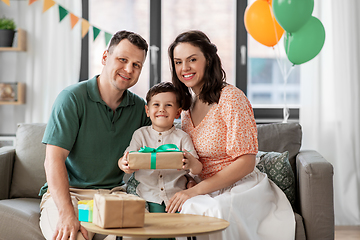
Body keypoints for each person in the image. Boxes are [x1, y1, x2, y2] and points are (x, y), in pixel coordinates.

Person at [166, 30, 295, 240]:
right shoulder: (187, 108)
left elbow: (246, 162)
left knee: (217, 212)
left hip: (240, 186)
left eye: (192, 60)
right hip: (205, 187)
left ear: (208, 60)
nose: (184, 68)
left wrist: (195, 191)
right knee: (187, 209)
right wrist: (191, 181)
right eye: (178, 62)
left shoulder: (231, 98)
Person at [39, 30, 151, 240]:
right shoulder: (71, 98)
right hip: (70, 195)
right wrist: (66, 213)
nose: (129, 69)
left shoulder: (140, 108)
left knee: (136, 236)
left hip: (116, 195)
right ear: (105, 57)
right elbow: (53, 160)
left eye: (136, 65)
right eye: (123, 59)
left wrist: (189, 177)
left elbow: (162, 143)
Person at [118, 81, 201, 215]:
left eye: (168, 105)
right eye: (156, 105)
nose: (162, 109)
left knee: (176, 230)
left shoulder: (182, 137)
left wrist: (191, 163)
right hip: (146, 194)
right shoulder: (140, 135)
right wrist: (125, 164)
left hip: (176, 196)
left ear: (178, 112)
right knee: (151, 229)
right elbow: (126, 159)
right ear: (147, 111)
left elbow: (197, 169)